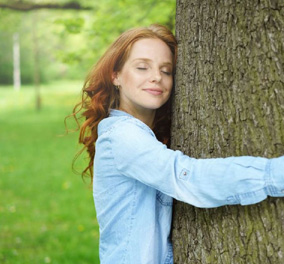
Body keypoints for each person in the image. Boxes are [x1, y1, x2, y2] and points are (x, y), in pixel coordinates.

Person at [71, 24, 284, 264]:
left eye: (167, 70)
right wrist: (273, 174)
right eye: (142, 67)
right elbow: (188, 178)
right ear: (116, 75)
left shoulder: (142, 136)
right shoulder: (122, 136)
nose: (156, 77)